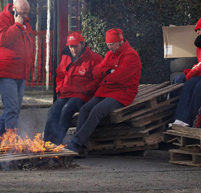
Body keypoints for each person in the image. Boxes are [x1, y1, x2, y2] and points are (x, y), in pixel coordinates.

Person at [66, 28, 141, 156]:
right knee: (85, 109)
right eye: (108, 45)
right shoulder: (109, 55)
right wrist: (108, 71)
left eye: (112, 44)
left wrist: (106, 75)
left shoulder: (131, 55)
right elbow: (96, 72)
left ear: (120, 41)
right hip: (107, 90)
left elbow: (119, 77)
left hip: (123, 92)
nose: (110, 47)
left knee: (97, 110)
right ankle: (80, 147)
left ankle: (76, 142)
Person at [0, 0, 34, 146]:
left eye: (26, 13)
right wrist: (17, 26)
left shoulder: (25, 23)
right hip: (5, 70)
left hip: (20, 71)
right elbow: (1, 40)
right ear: (14, 8)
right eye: (22, 13)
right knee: (12, 109)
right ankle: (12, 141)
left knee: (13, 109)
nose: (24, 16)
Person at [43, 32, 103, 145]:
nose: (73, 49)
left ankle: (57, 142)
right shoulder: (65, 57)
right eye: (71, 46)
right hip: (66, 93)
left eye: (76, 46)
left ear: (82, 44)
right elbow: (60, 74)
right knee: (53, 111)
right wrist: (60, 88)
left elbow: (99, 79)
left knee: (66, 110)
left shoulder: (94, 58)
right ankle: (46, 142)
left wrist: (86, 89)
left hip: (82, 95)